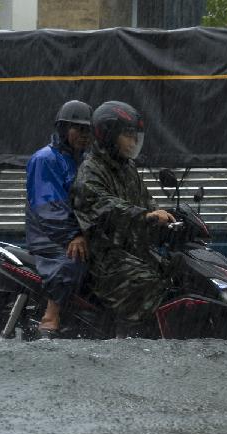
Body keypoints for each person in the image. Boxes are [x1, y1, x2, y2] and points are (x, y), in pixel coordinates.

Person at [71, 101, 173, 332]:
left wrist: (168, 216)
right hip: (104, 257)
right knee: (146, 282)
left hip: (132, 250)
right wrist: (145, 215)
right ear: (108, 135)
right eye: (128, 135)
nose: (134, 141)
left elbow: (146, 202)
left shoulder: (127, 168)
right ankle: (126, 341)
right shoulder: (92, 169)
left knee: (175, 275)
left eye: (135, 135)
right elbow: (105, 207)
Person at [24, 100, 93, 335]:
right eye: (78, 129)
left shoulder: (83, 159)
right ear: (63, 129)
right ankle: (50, 316)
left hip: (75, 230)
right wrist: (72, 234)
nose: (83, 135)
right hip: (48, 235)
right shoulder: (46, 159)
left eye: (87, 130)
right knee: (73, 259)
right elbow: (48, 206)